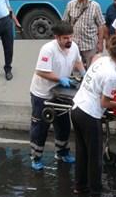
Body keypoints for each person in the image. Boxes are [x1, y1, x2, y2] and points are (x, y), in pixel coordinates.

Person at [71, 35, 116, 197]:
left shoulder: (101, 60)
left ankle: (80, 186)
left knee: (82, 152)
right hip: (89, 114)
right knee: (95, 157)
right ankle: (95, 195)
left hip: (76, 108)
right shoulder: (111, 74)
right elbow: (104, 102)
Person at [29, 22, 85, 171]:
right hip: (43, 94)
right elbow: (41, 71)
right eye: (65, 38)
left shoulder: (73, 47)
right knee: (40, 127)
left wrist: (84, 74)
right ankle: (36, 157)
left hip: (60, 93)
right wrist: (60, 79)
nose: (69, 40)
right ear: (57, 38)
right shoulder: (48, 49)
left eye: (70, 37)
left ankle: (61, 153)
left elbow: (77, 61)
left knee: (64, 125)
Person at [63, 0, 105, 67]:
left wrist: (100, 43)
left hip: (90, 44)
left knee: (91, 68)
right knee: (75, 68)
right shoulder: (70, 5)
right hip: (74, 44)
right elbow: (65, 22)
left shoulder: (95, 6)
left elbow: (101, 25)